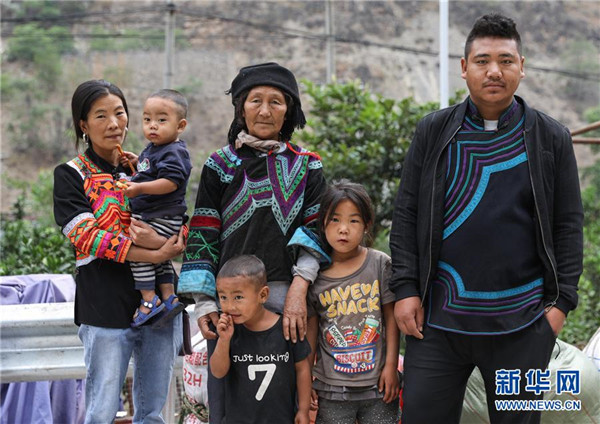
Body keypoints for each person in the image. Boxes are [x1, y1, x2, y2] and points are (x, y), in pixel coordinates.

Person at [390, 14, 583, 424]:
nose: (494, 71)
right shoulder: (433, 131)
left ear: (521, 67)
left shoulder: (551, 138)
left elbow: (568, 225)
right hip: (436, 321)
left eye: (505, 60)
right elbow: (406, 213)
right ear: (464, 68)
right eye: (482, 61)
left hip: (523, 325)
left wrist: (560, 306)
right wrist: (405, 289)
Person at [178, 62, 328, 423]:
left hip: (285, 297)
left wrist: (298, 290)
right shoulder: (220, 164)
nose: (264, 110)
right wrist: (205, 302)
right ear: (241, 107)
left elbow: (315, 229)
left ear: (289, 110)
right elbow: (204, 231)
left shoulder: (308, 165)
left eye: (276, 101)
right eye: (255, 100)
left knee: (287, 393)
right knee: (228, 392)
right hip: (230, 301)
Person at [53, 79, 185, 423]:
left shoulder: (146, 168)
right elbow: (87, 237)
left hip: (159, 305)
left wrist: (163, 243)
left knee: (152, 412)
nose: (114, 124)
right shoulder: (71, 175)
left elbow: (181, 219)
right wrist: (154, 254)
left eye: (119, 113)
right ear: (83, 125)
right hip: (104, 304)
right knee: (101, 412)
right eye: (101, 116)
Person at [307, 180, 400, 424]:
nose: (343, 229)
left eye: (354, 221)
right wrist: (306, 379)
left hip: (378, 385)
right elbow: (311, 331)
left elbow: (391, 318)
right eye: (335, 220)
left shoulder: (379, 264)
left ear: (367, 225)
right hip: (332, 389)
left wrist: (391, 366)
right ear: (323, 223)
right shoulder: (315, 275)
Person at [120, 89, 193, 327]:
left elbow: (170, 182)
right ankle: (169, 296)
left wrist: (139, 188)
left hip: (161, 215)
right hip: (160, 215)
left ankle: (149, 299)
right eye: (147, 119)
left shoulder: (175, 151)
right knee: (159, 259)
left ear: (180, 126)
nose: (153, 125)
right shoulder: (155, 148)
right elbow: (152, 170)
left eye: (162, 120)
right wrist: (136, 163)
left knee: (140, 255)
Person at [211, 255, 312, 424]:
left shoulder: (287, 328)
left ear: (263, 295)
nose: (230, 306)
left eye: (238, 297)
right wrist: (224, 340)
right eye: (223, 297)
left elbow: (302, 369)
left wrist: (303, 409)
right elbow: (217, 372)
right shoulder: (228, 331)